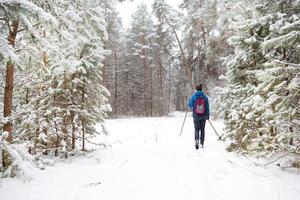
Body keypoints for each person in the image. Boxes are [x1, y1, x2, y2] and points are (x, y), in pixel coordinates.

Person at [188, 84, 210, 149]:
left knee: (196, 129)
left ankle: (196, 140)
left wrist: (189, 100)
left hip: (196, 115)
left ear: (196, 90)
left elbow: (190, 105)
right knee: (202, 129)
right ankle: (202, 142)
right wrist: (208, 115)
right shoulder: (205, 97)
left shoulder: (194, 96)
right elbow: (207, 107)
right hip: (203, 116)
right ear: (201, 89)